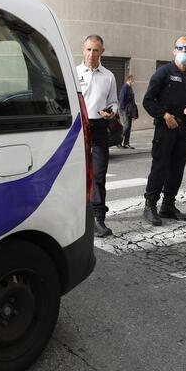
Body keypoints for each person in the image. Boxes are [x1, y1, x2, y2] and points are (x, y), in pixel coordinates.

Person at [142, 36, 186, 226]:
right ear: (174, 50)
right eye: (180, 48)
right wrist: (165, 115)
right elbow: (148, 101)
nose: (184, 51)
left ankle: (168, 205)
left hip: (183, 130)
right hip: (165, 129)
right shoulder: (163, 73)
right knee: (160, 168)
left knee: (177, 169)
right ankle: (150, 206)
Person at [76, 35, 119, 238]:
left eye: (95, 50)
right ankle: (75, 216)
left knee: (99, 176)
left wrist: (111, 111)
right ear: (82, 50)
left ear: (102, 51)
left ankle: (98, 219)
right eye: (88, 50)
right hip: (78, 129)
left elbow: (114, 102)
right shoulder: (73, 73)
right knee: (75, 175)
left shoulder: (108, 76)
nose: (91, 54)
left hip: (100, 127)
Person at [117, 75, 137, 149]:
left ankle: (126, 143)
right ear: (129, 80)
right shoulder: (125, 88)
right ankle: (118, 141)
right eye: (133, 81)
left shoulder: (130, 88)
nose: (133, 82)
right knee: (126, 125)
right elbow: (121, 99)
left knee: (129, 126)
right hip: (124, 110)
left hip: (129, 110)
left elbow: (132, 100)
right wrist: (122, 109)